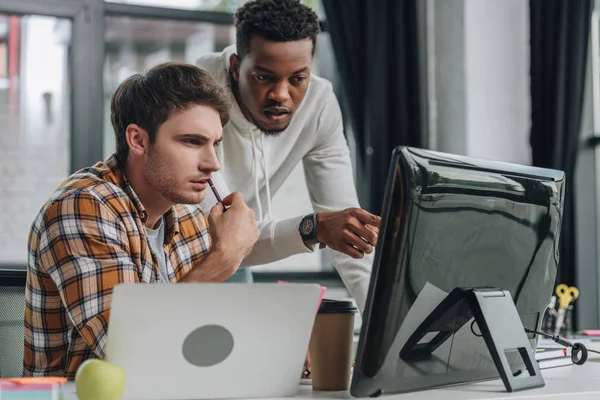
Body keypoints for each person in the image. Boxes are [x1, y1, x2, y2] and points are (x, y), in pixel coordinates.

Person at [23, 62, 260, 378]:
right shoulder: (83, 206)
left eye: (214, 144)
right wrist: (226, 257)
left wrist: (263, 346)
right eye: (192, 141)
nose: (213, 164)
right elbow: (129, 350)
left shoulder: (188, 215)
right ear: (138, 140)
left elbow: (201, 337)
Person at [197, 0, 379, 312]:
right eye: (264, 77)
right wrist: (314, 228)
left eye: (298, 78)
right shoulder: (197, 92)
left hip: (237, 256)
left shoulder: (319, 104)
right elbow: (223, 236)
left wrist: (388, 338)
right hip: (175, 254)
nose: (281, 95)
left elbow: (349, 239)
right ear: (236, 66)